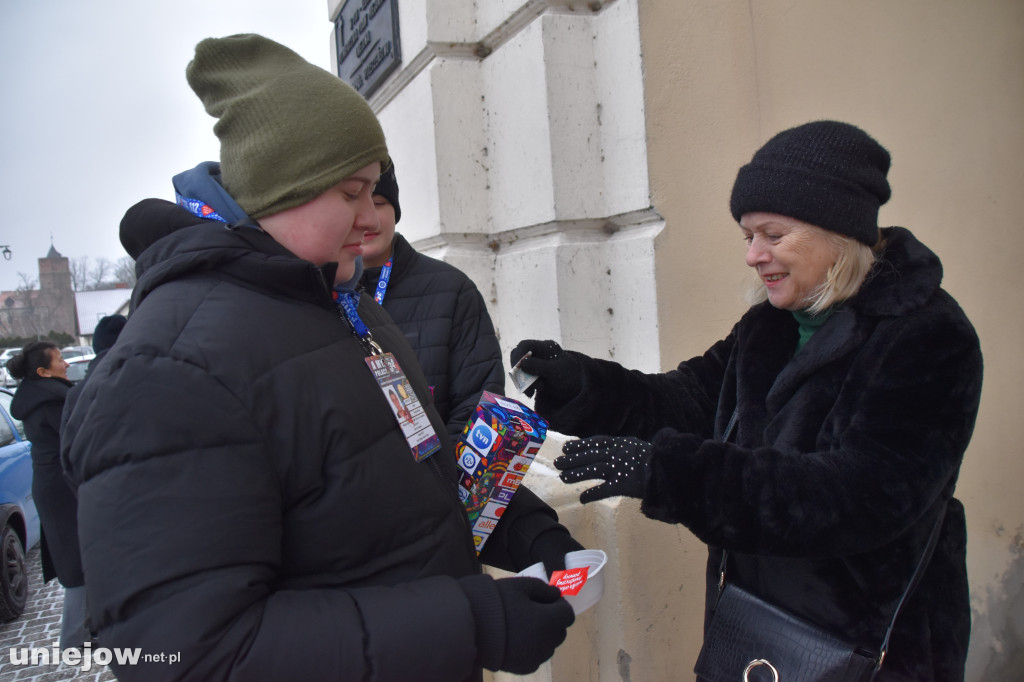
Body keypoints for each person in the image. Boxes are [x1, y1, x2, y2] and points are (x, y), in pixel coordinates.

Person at [61, 34, 579, 682]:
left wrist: (523, 527)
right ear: (284, 188)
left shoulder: (342, 306)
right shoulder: (170, 371)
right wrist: (470, 623)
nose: (373, 217)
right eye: (353, 191)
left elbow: (401, 481)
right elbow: (189, 658)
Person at [512, 121, 983, 681]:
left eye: (773, 235)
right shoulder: (772, 324)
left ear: (837, 231)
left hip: (870, 649)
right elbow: (688, 400)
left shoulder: (927, 334)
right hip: (756, 637)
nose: (753, 256)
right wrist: (584, 386)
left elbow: (859, 495)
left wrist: (672, 474)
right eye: (747, 236)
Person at [360, 162, 505, 438]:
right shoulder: (320, 295)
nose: (369, 218)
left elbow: (480, 402)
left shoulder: (453, 290)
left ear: (395, 210)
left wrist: (439, 475)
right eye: (355, 203)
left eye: (378, 203)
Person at [7, 341, 87, 648]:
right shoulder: (53, 401)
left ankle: (87, 630)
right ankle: (73, 641)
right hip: (63, 488)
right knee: (78, 561)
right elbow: (78, 442)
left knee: (82, 557)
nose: (66, 364)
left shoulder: (39, 397)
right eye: (59, 360)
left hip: (54, 485)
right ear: (43, 371)